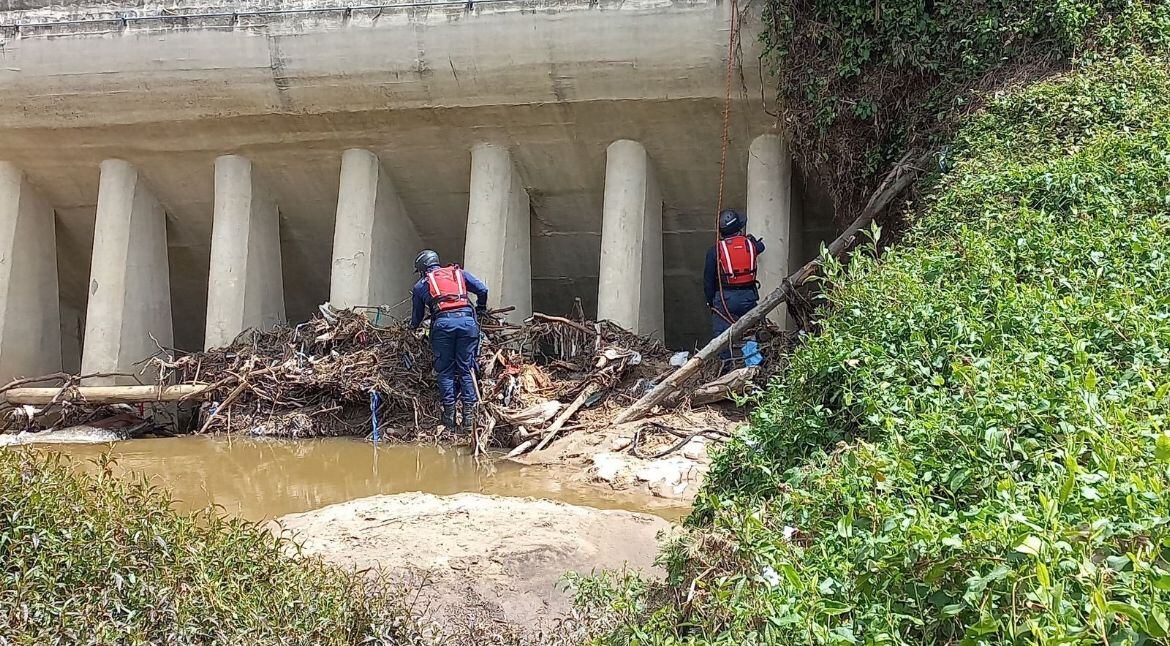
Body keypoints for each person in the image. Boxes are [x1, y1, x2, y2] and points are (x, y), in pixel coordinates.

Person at [409, 250, 489, 434]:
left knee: (445, 370)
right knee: (466, 368)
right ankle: (469, 419)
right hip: (468, 324)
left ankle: (449, 417)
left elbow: (417, 317)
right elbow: (483, 290)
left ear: (422, 269)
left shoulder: (422, 284)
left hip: (443, 325)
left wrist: (412, 328)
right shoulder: (458, 273)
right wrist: (481, 308)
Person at [704, 208, 765, 366]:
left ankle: (726, 369)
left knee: (723, 338)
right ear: (739, 228)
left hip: (725, 300)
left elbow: (708, 281)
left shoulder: (715, 251)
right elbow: (761, 247)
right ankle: (753, 367)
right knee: (751, 333)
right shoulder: (752, 245)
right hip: (749, 297)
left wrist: (711, 302)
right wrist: (752, 241)